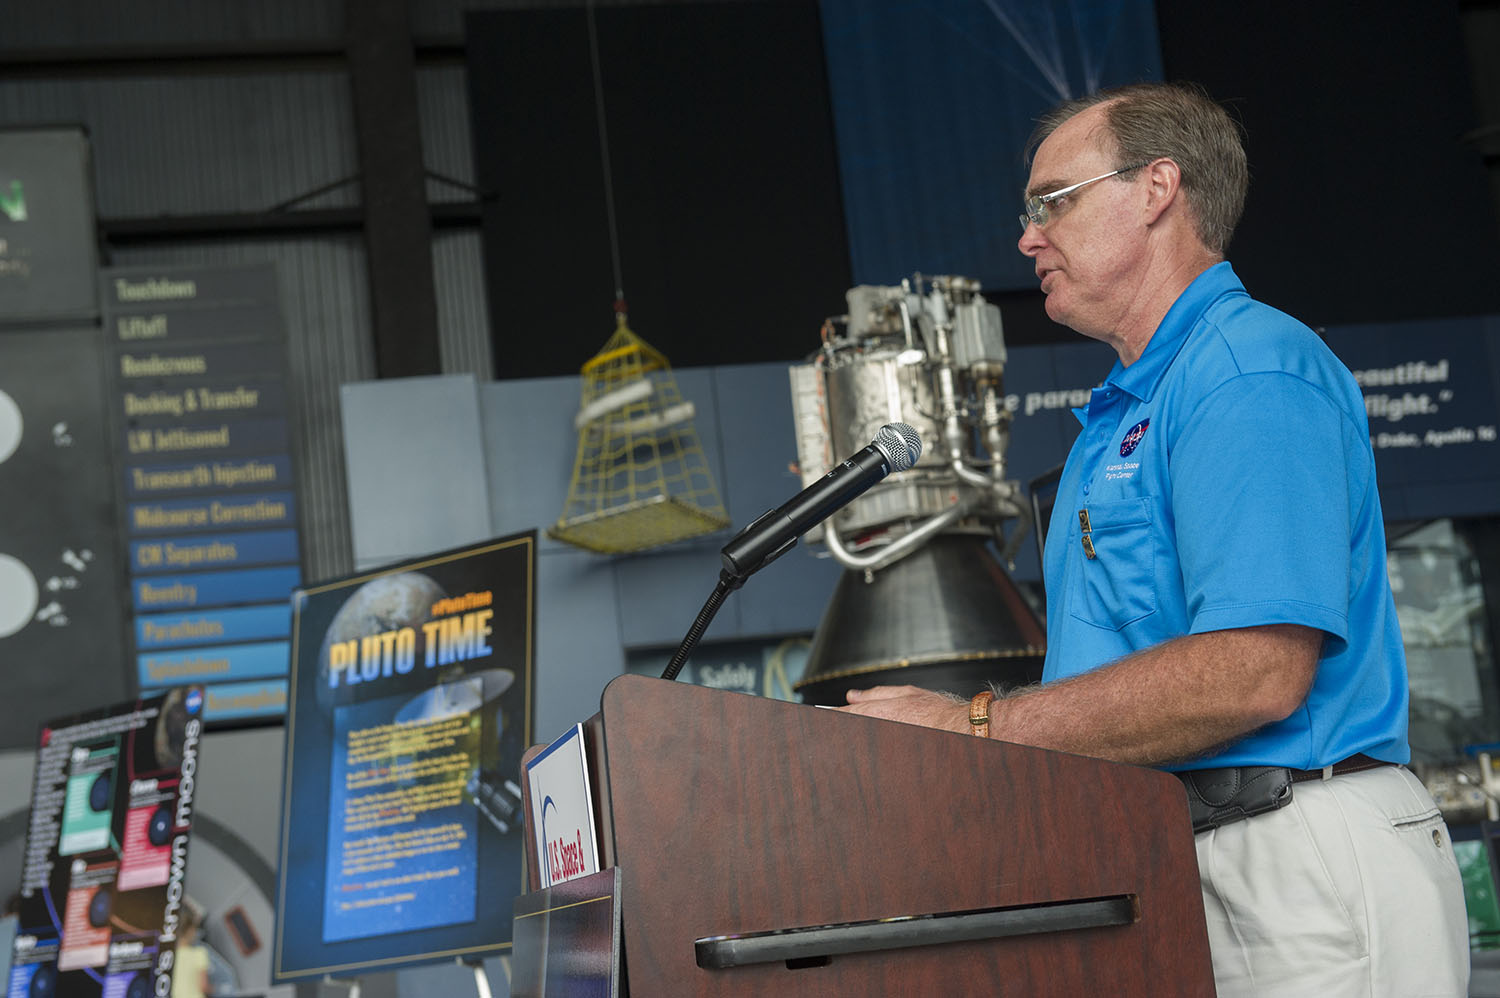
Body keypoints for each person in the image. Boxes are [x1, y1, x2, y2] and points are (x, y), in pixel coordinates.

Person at [838, 80, 1469, 996]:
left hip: (1299, 854)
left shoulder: (1248, 371)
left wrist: (975, 726)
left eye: (1051, 202)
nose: (1026, 236)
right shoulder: (1120, 414)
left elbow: (1257, 667)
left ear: (1156, 188)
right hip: (1182, 858)